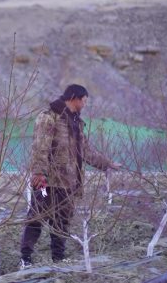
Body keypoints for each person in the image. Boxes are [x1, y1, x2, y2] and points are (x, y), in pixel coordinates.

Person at [20, 84, 120, 268]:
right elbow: (40, 147)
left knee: (62, 221)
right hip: (46, 183)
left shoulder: (76, 123)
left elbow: (86, 151)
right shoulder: (49, 117)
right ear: (73, 97)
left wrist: (107, 164)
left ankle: (58, 259)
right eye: (84, 100)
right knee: (36, 216)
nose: (85, 105)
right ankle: (25, 259)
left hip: (68, 184)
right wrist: (39, 174)